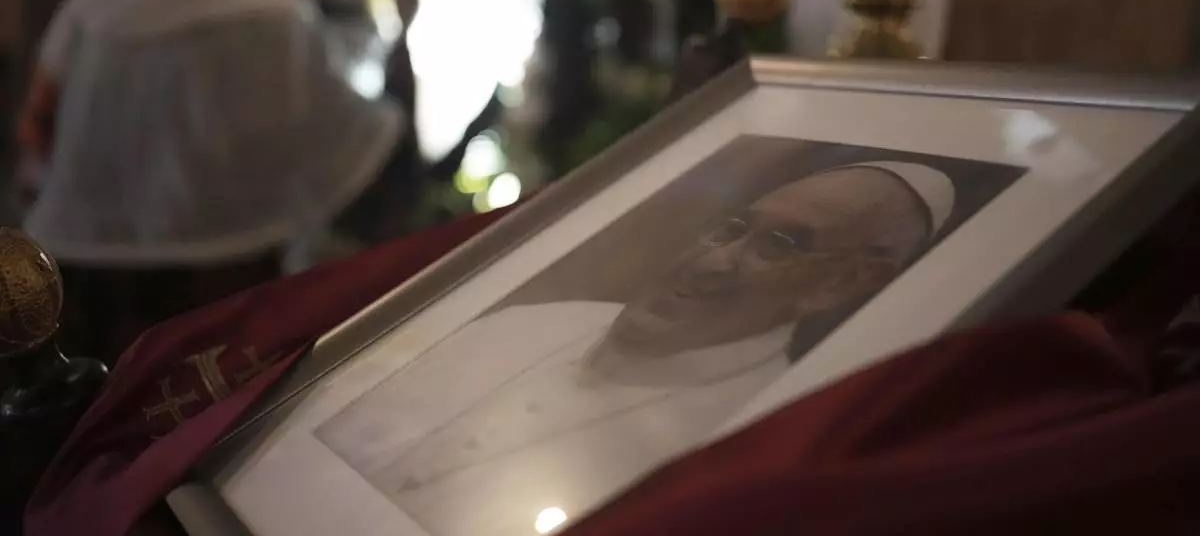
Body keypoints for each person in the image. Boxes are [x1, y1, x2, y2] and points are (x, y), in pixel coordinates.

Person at [317, 160, 954, 536]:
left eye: (779, 245)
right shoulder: (544, 320)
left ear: (843, 284)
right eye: (733, 228)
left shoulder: (752, 437)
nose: (715, 260)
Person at [14, 0, 404, 365]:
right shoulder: (270, 24)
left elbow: (37, 134)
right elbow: (348, 146)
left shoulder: (94, 10)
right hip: (227, 295)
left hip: (91, 285)